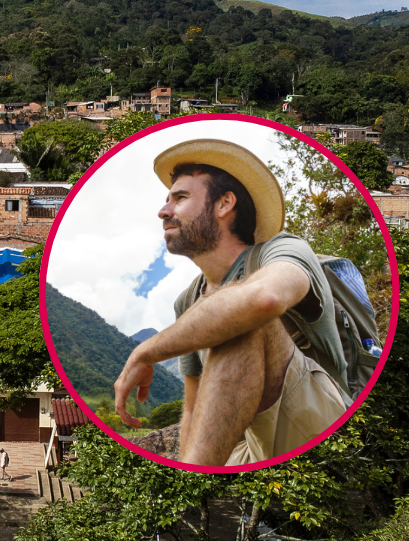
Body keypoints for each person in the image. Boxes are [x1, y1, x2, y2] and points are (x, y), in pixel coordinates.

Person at [113, 139, 350, 466]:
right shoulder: (188, 300)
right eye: (167, 200)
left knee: (240, 317)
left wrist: (146, 350)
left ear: (224, 204)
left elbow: (264, 299)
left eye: (180, 198)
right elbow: (194, 408)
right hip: (246, 440)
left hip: (318, 424)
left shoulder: (281, 250)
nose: (164, 211)